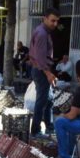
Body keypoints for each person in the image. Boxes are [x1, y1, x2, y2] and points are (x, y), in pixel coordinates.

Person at [29, 7, 60, 137]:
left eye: (57, 21)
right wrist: (48, 74)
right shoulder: (42, 33)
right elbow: (40, 58)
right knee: (42, 101)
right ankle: (36, 130)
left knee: (49, 99)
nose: (55, 24)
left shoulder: (43, 31)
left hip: (41, 69)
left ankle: (49, 126)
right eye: (52, 20)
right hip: (41, 70)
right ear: (45, 18)